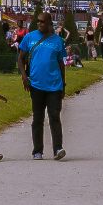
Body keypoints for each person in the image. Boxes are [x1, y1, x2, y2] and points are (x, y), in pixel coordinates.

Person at [18, 11, 68, 160]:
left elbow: (61, 65)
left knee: (54, 117)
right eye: (38, 21)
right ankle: (37, 150)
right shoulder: (29, 37)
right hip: (36, 85)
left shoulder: (58, 41)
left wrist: (63, 86)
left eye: (42, 22)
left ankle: (57, 148)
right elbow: (20, 58)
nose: (39, 24)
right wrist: (24, 76)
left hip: (54, 85)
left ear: (49, 23)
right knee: (37, 118)